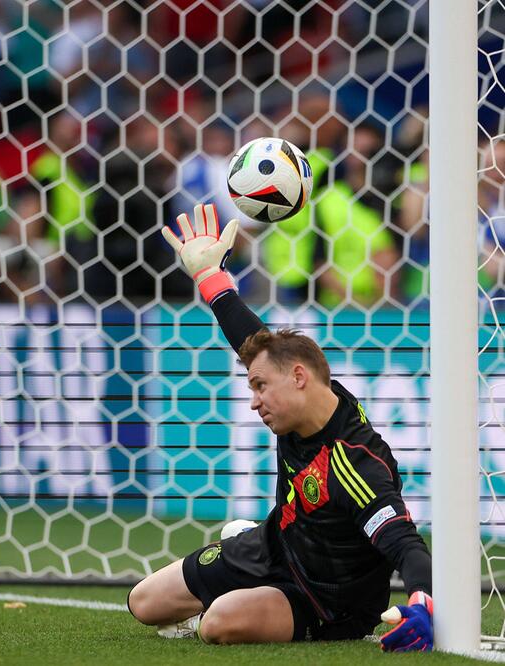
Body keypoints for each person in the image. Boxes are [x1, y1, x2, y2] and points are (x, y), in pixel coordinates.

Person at [127, 204, 433, 651]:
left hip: (327, 599)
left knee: (217, 624)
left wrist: (422, 604)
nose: (254, 402)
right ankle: (243, 562)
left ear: (298, 379)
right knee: (143, 602)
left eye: (259, 388)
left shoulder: (354, 464)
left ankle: (239, 606)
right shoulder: (306, 393)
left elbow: (406, 544)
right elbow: (253, 341)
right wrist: (210, 274)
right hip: (275, 543)